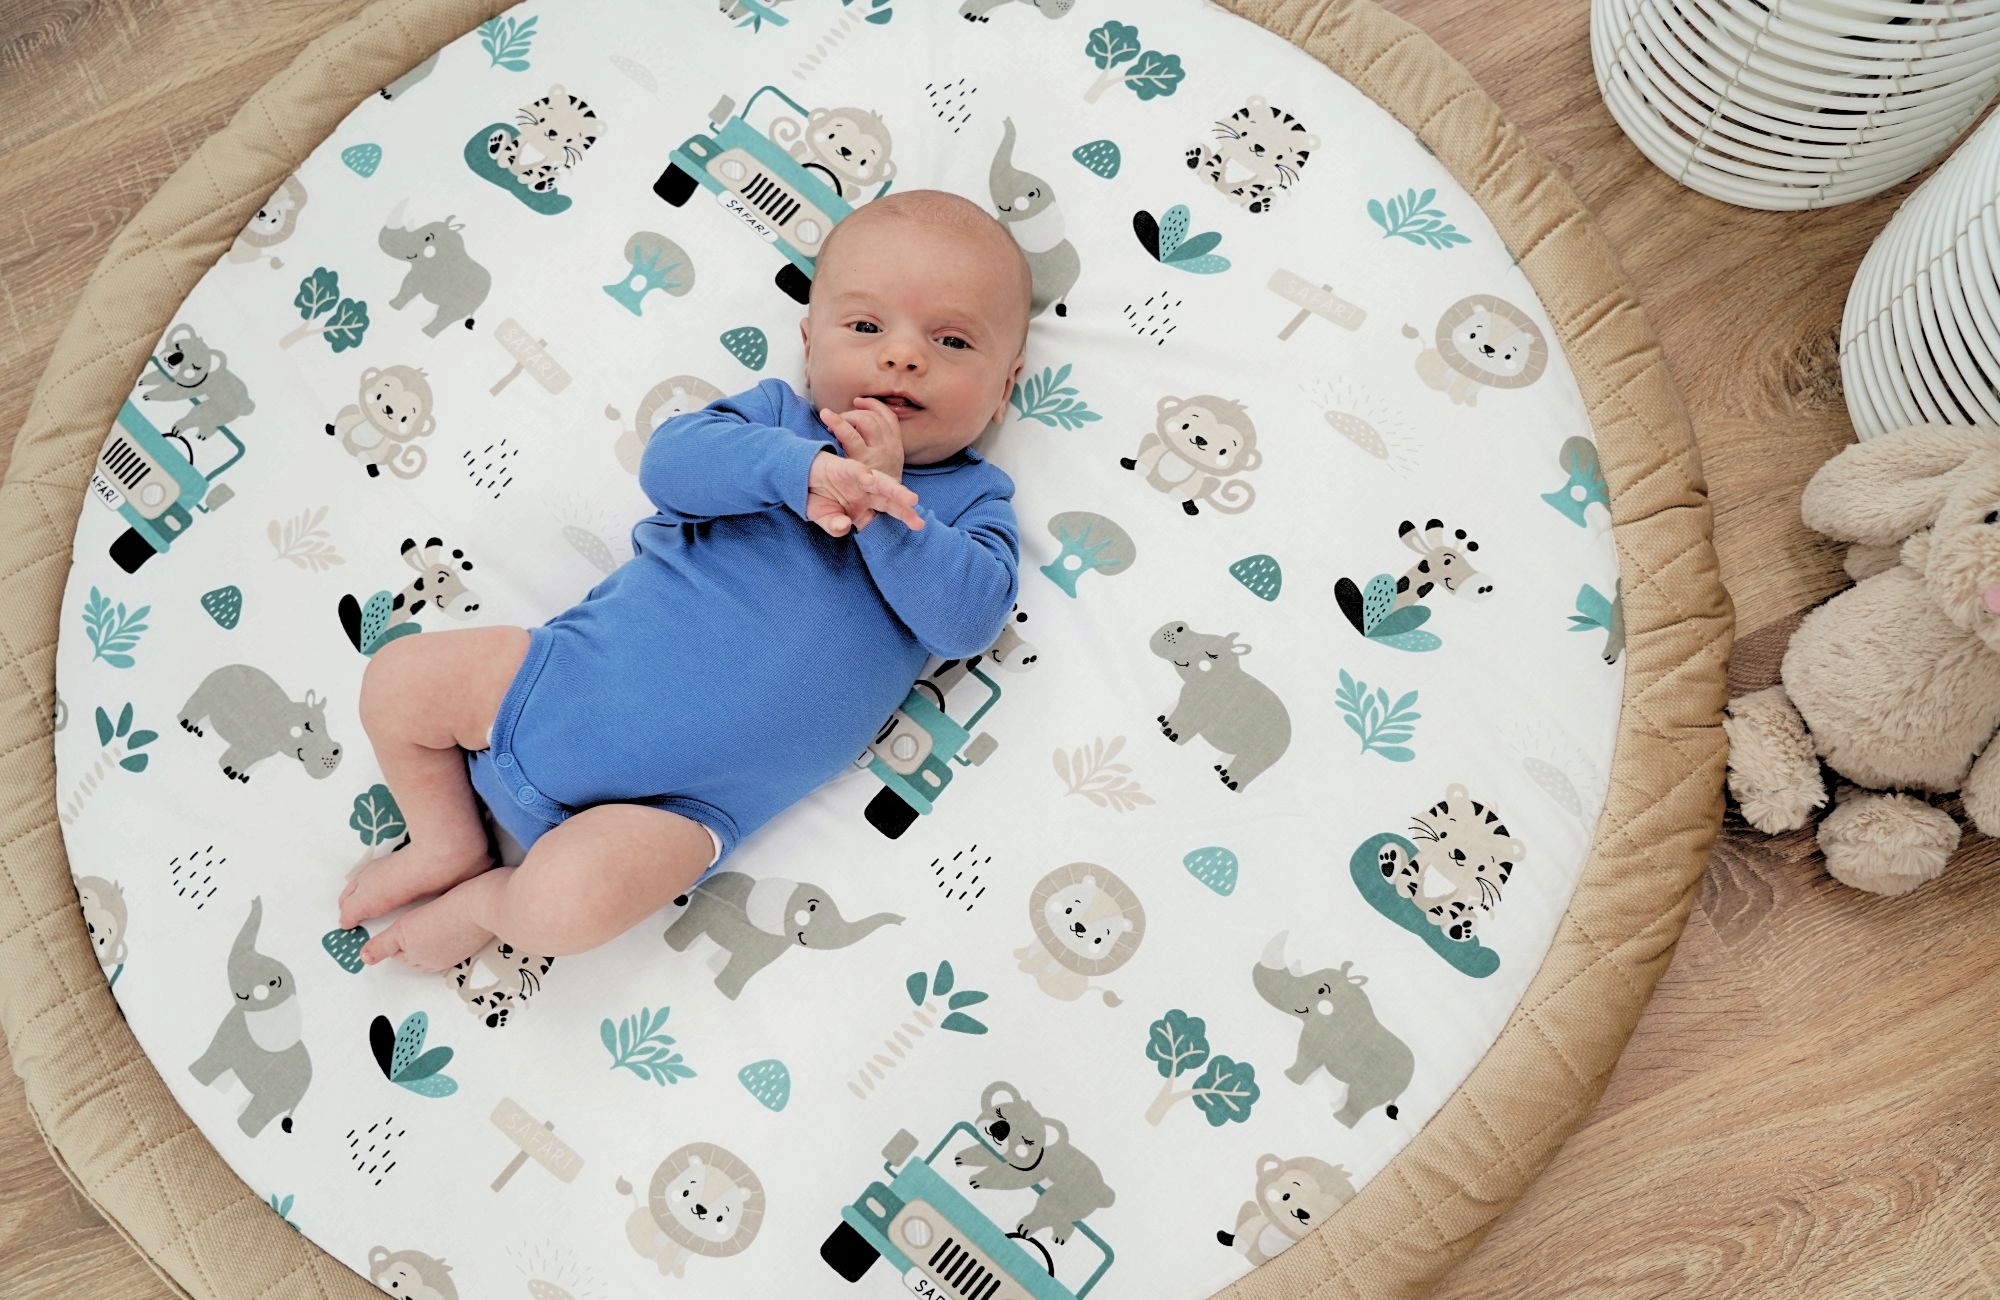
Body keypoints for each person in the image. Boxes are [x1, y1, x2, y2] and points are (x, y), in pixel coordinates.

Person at [341, 189, 1031, 971]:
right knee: (399, 681)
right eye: (867, 328)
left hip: (666, 815)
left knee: (562, 910)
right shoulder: (778, 422)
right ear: (810, 345)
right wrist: (796, 469)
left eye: (951, 340)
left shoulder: (972, 505)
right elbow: (669, 466)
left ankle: (485, 902)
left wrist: (886, 508)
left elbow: (968, 621)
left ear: (1005, 387)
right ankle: (445, 840)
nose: (903, 356)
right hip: (548, 683)